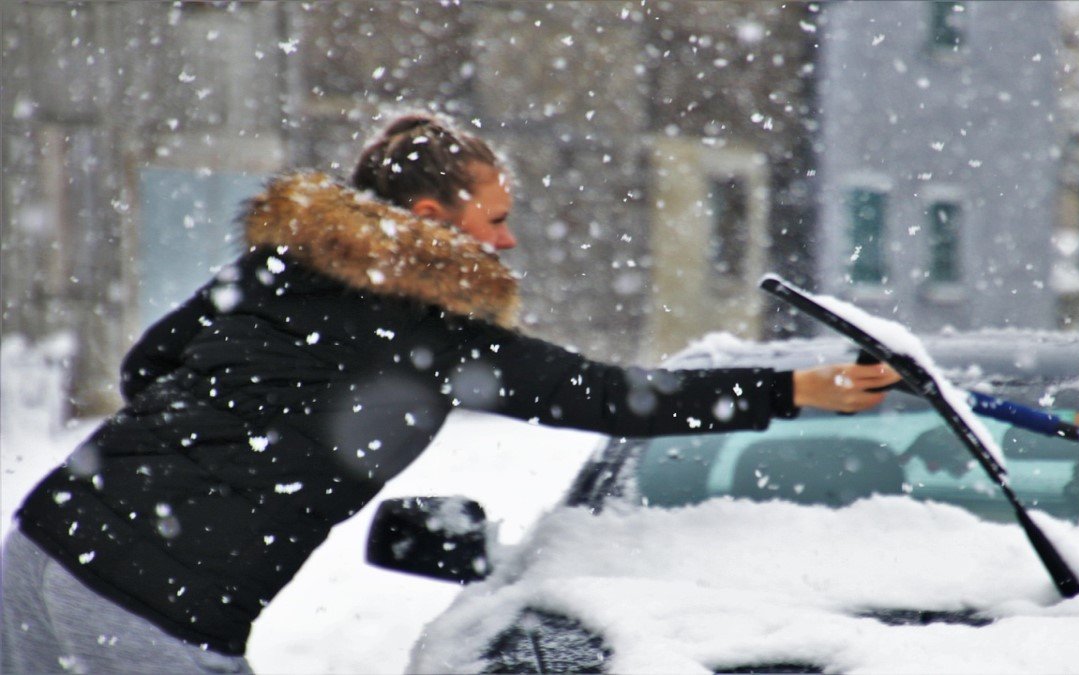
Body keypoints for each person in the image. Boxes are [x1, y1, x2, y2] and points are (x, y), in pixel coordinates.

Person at [1, 112, 900, 673]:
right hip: (152, 600)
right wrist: (795, 388)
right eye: (495, 219)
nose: (506, 244)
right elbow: (610, 395)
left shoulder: (276, 268)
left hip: (43, 542)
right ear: (432, 220)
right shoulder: (429, 333)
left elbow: (146, 369)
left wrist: (222, 438)